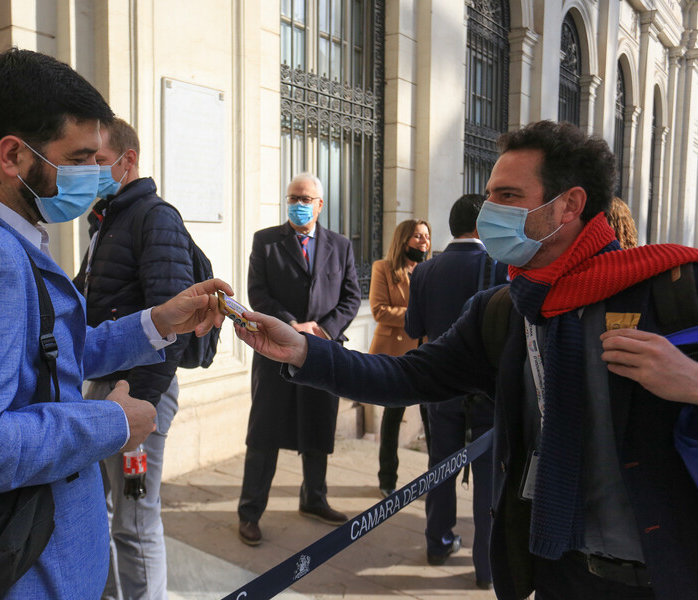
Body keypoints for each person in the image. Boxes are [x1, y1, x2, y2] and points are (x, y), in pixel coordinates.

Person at [234, 120, 698, 600]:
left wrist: (692, 382)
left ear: (570, 205)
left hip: (668, 579)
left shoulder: (671, 291)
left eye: (509, 196)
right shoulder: (504, 310)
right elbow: (408, 375)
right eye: (490, 194)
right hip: (557, 571)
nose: (490, 210)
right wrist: (305, 351)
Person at [0, 49, 232, 600]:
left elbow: (49, 351)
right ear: (12, 155)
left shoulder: (0, 237)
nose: (94, 175)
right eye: (78, 159)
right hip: (23, 574)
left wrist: (156, 322)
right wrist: (109, 423)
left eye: (98, 159)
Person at [72, 117, 191, 600]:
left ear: (128, 160)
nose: (90, 172)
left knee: (135, 521)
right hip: (106, 388)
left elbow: (175, 323)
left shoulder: (155, 218)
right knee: (95, 513)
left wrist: (138, 401)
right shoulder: (106, 221)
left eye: (99, 162)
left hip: (138, 392)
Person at [237, 172, 361, 546]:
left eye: (306, 199)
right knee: (265, 432)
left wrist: (322, 328)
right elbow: (258, 293)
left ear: (320, 205)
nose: (298, 204)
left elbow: (352, 296)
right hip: (276, 351)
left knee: (318, 426)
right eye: (293, 197)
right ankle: (250, 512)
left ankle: (314, 498)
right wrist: (291, 325)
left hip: (323, 352)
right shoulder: (266, 242)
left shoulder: (340, 245)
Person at [404, 193, 507, 589]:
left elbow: (414, 329)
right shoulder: (498, 266)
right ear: (482, 226)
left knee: (439, 468)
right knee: (489, 481)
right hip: (488, 394)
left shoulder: (425, 270)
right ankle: (486, 568)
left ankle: (437, 541)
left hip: (440, 390)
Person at [370, 219, 430, 498]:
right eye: (417, 236)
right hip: (396, 356)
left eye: (426, 236)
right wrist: (416, 315)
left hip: (427, 353)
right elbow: (379, 310)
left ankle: (435, 479)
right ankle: (387, 480)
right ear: (403, 240)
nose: (423, 241)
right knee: (392, 418)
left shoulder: (430, 270)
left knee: (431, 419)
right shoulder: (382, 268)